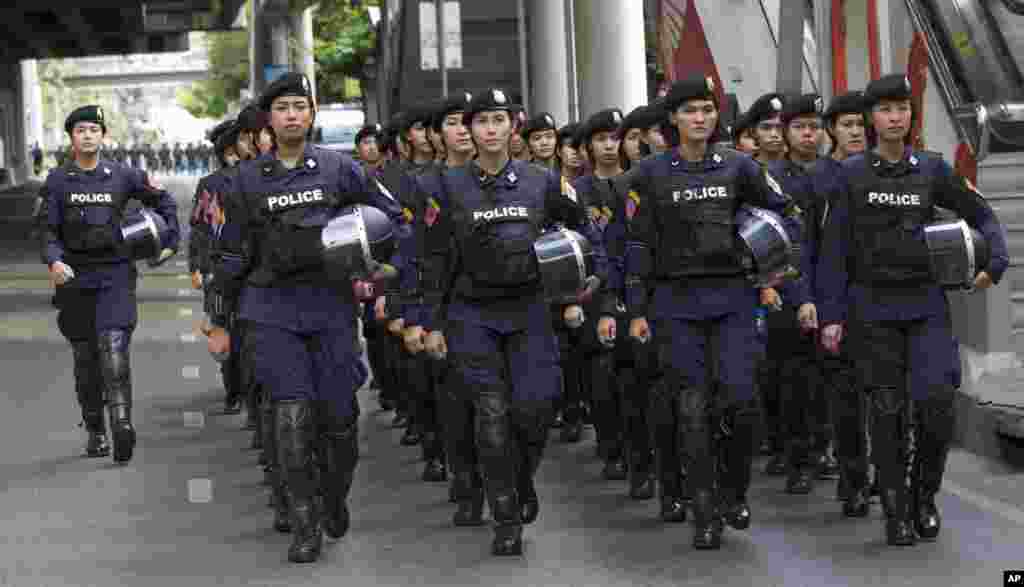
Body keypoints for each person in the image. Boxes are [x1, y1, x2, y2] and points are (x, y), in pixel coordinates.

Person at [207, 72, 403, 563]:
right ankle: (305, 521)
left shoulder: (340, 169)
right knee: (290, 418)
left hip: (331, 307)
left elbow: (387, 220)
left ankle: (333, 496)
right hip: (271, 310)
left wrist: (380, 272)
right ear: (268, 122)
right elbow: (229, 256)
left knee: (340, 418)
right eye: (283, 108)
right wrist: (218, 320)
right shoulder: (246, 181)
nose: (292, 114)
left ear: (311, 115)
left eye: (300, 106)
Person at [406, 88, 607, 556]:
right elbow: (430, 259)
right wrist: (429, 322)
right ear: (468, 132)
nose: (491, 130)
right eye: (481, 122)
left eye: (499, 120)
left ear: (511, 127)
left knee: (534, 411)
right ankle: (505, 513)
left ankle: (519, 482)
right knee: (492, 415)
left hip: (530, 311)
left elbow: (583, 231)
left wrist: (580, 282)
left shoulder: (543, 182)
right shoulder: (443, 187)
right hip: (471, 313)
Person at [816, 73, 1009, 546]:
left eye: (902, 108)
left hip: (925, 307)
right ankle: (897, 510)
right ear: (870, 118)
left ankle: (925, 497)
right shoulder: (850, 175)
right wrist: (832, 315)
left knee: (938, 405)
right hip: (871, 308)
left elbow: (981, 213)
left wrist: (996, 261)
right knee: (884, 409)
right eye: (885, 110)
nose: (895, 117)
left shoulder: (932, 169)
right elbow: (833, 251)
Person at [613, 76, 803, 549]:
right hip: (675, 307)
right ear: (673, 119)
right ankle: (704, 508)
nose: (700, 118)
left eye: (706, 110)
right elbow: (636, 246)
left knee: (740, 402)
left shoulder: (740, 167)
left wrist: (774, 267)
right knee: (692, 410)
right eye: (689, 111)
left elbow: (787, 216)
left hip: (733, 302)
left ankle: (734, 492)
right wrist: (636, 309)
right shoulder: (650, 174)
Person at [38, 104, 179, 463]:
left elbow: (164, 201)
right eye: (81, 130)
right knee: (86, 362)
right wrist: (54, 260)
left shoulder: (123, 175)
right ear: (71, 137)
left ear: (103, 136)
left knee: (114, 351)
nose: (88, 135)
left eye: (94, 129)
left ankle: (122, 426)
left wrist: (168, 241)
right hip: (74, 279)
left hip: (115, 274)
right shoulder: (57, 181)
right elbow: (47, 231)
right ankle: (96, 429)